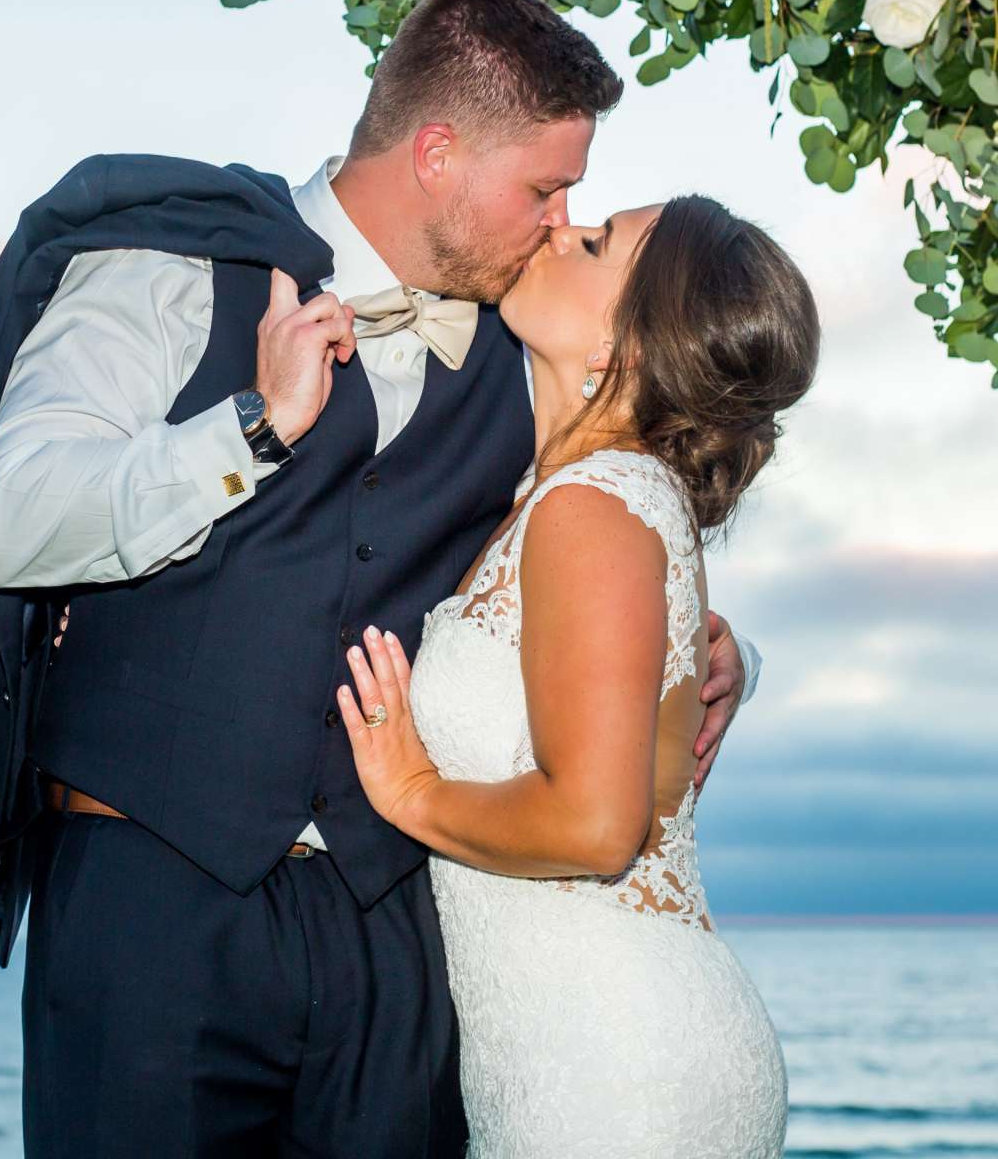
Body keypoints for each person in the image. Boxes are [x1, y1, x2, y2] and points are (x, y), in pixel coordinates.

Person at [0, 0, 761, 1156]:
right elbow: (12, 519)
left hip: (398, 924)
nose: (562, 221)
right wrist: (247, 425)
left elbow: (594, 534)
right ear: (439, 153)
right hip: (153, 902)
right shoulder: (168, 264)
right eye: (547, 186)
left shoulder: (532, 347)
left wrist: (714, 644)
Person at [337, 194, 819, 1156]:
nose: (561, 230)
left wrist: (415, 793)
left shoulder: (594, 507)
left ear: (627, 351)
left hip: (610, 1070)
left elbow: (598, 827)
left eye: (595, 244)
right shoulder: (588, 499)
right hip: (597, 1050)